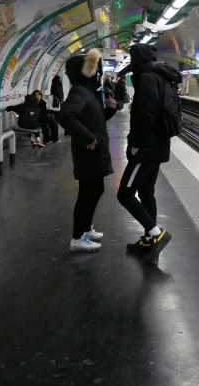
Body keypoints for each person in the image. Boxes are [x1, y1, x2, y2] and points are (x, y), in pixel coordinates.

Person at [117, 44, 181, 262]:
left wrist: (136, 143)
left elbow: (145, 114)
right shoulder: (163, 76)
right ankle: (147, 240)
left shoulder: (147, 78)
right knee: (146, 192)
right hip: (160, 143)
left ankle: (156, 233)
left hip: (146, 147)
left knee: (125, 193)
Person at [57, 49, 118, 252]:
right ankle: (77, 238)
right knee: (86, 193)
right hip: (88, 152)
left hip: (96, 150)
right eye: (94, 70)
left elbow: (94, 120)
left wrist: (110, 109)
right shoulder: (79, 92)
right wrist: (88, 137)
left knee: (96, 190)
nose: (98, 74)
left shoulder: (88, 92)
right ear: (84, 72)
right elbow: (65, 116)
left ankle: (85, 228)